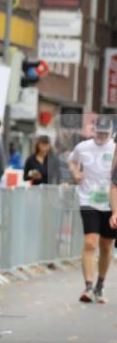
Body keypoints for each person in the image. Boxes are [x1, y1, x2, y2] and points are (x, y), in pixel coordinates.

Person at [68, 117, 115, 303]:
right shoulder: (83, 147)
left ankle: (100, 286)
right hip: (88, 200)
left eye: (105, 133)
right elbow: (72, 161)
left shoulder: (114, 148)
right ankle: (88, 286)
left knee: (105, 245)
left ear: (110, 132)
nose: (102, 136)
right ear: (93, 130)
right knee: (90, 242)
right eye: (99, 132)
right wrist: (76, 173)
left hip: (112, 203)